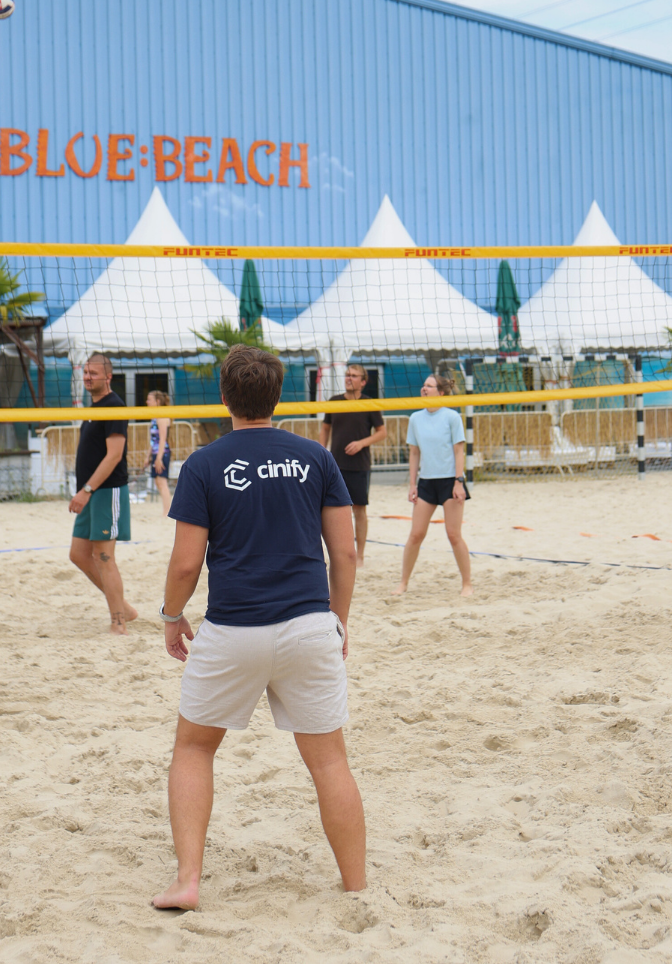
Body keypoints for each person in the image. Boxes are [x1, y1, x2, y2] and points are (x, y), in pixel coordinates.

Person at [152, 345, 363, 911]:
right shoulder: (315, 458)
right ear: (277, 397)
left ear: (225, 398)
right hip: (309, 626)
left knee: (194, 749)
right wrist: (338, 622)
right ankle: (356, 887)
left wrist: (172, 619)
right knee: (330, 761)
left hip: (233, 629)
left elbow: (184, 564)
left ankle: (189, 881)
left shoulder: (203, 463)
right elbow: (344, 552)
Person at [68, 353, 135, 634]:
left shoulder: (114, 406)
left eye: (93, 373)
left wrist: (86, 490)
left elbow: (113, 456)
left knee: (104, 557)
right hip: (92, 493)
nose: (87, 377)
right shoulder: (94, 406)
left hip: (106, 491)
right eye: (85, 372)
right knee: (78, 554)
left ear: (108, 376)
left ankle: (118, 622)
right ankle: (124, 607)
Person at [393, 374, 471, 598]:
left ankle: (467, 584)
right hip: (426, 482)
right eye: (424, 385)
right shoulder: (415, 418)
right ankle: (403, 583)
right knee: (416, 535)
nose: (424, 389)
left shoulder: (452, 417)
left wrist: (459, 481)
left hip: (450, 481)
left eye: (429, 386)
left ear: (441, 392)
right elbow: (414, 453)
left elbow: (458, 451)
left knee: (453, 535)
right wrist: (412, 484)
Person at [319, 363, 387, 567]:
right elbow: (325, 429)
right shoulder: (334, 401)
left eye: (354, 375)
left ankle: (360, 556)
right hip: (335, 465)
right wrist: (322, 454)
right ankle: (336, 553)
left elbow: (382, 432)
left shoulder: (368, 403)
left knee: (359, 510)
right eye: (347, 374)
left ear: (363, 382)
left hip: (359, 465)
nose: (349, 378)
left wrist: (361, 443)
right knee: (330, 510)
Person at [147, 390, 173, 515]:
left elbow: (162, 439)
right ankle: (165, 509)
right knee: (158, 482)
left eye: (149, 399)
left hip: (163, 453)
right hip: (156, 453)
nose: (147, 402)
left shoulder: (162, 416)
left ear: (157, 401)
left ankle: (167, 512)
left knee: (162, 482)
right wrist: (148, 456)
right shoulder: (154, 416)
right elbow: (153, 440)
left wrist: (159, 458)